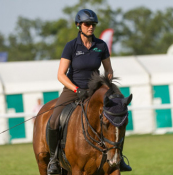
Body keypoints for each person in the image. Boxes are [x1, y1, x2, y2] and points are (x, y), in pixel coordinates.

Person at [47, 9, 132, 175]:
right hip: (73, 89)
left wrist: (105, 86)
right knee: (54, 121)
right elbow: (60, 74)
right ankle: (53, 160)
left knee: (116, 117)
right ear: (79, 25)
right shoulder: (71, 46)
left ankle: (118, 158)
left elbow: (108, 71)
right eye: (87, 24)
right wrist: (76, 89)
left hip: (96, 91)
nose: (90, 27)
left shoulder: (101, 46)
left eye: (93, 24)